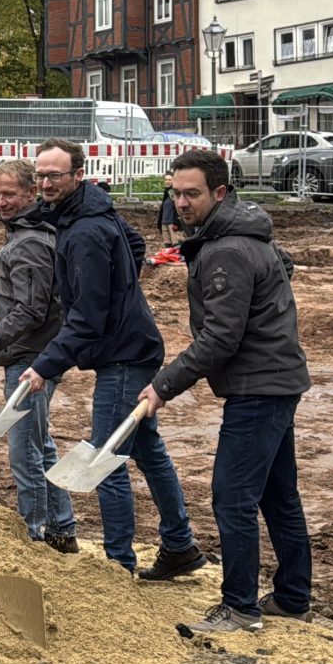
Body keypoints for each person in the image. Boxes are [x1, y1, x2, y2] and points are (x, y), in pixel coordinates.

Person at [144, 148, 313, 633]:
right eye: (175, 193)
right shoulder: (237, 235)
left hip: (258, 387)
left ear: (220, 192)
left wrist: (163, 385)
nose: (180, 203)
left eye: (191, 193)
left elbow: (220, 337)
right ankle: (293, 597)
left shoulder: (226, 250)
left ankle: (240, 607)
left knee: (232, 496)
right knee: (278, 494)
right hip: (277, 379)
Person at [21, 137, 205, 579]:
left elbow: (85, 318)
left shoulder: (84, 232)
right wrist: (123, 285)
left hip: (123, 355)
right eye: (40, 175)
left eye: (55, 175)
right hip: (133, 344)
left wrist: (45, 365)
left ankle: (118, 565)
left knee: (105, 457)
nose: (45, 183)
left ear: (77, 175)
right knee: (146, 447)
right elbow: (136, 242)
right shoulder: (90, 211)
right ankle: (179, 543)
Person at [0, 161, 76, 550]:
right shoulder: (31, 231)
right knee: (40, 443)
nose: (1, 201)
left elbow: (31, 310)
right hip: (40, 352)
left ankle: (32, 533)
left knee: (24, 450)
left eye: (9, 194)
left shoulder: (29, 240)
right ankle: (63, 528)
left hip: (31, 356)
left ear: (31, 193)